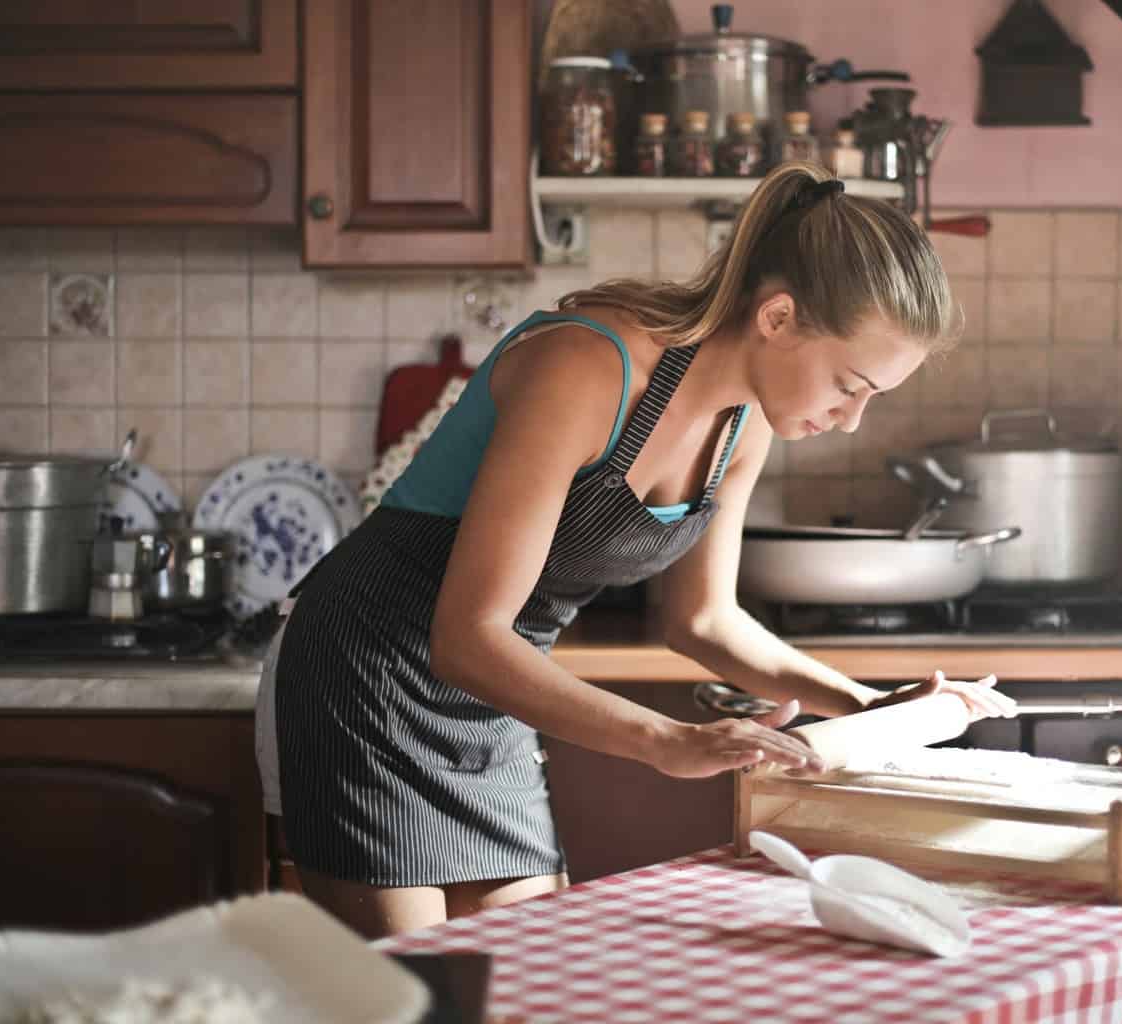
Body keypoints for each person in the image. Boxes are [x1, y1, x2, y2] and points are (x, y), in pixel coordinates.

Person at [253, 161, 1017, 939]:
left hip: (497, 689)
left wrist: (874, 709)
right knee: (413, 990)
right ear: (778, 318)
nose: (850, 418)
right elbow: (466, 635)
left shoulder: (744, 423)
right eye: (848, 384)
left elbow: (706, 622)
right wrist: (666, 741)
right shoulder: (588, 365)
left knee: (521, 977)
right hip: (369, 671)